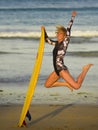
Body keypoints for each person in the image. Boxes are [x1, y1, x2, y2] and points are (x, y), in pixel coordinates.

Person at [42, 11, 93, 91]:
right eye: (58, 33)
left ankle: (85, 69)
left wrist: (72, 17)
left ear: (64, 35)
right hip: (56, 70)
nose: (58, 35)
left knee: (76, 86)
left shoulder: (65, 43)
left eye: (61, 33)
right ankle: (66, 84)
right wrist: (43, 30)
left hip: (62, 70)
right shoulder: (55, 44)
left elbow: (69, 29)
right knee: (47, 85)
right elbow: (46, 40)